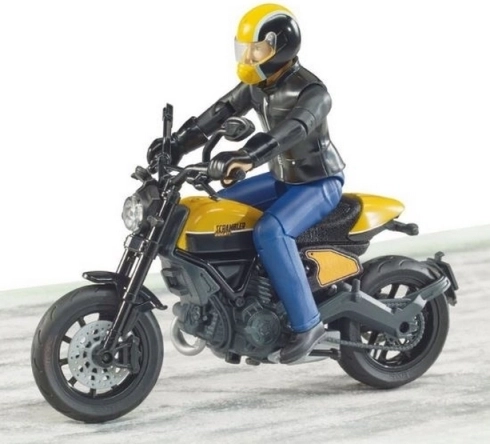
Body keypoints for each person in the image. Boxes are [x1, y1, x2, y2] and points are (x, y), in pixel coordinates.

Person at [148, 3, 345, 363]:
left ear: (281, 46)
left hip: (318, 183)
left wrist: (248, 156)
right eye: (246, 49)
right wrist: (176, 144)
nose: (249, 57)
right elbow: (218, 112)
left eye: (258, 49)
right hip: (282, 179)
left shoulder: (312, 92)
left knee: (271, 232)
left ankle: (308, 324)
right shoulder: (257, 86)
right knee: (219, 209)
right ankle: (236, 299)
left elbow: (293, 129)